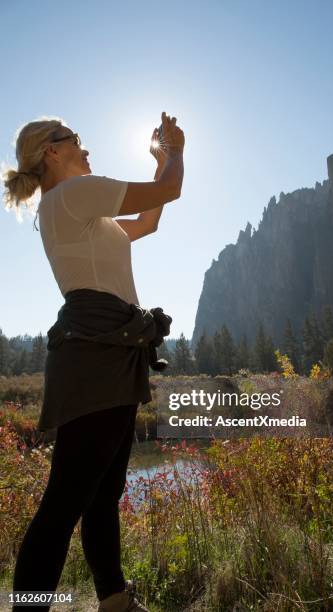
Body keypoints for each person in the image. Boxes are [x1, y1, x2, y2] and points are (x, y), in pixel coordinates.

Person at [1, 111, 184, 612]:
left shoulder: (83, 215)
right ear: (50, 151)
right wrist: (176, 154)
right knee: (63, 504)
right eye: (76, 140)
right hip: (95, 358)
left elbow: (146, 221)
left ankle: (115, 601)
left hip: (113, 352)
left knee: (103, 494)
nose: (86, 147)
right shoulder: (72, 196)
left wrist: (161, 159)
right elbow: (168, 192)